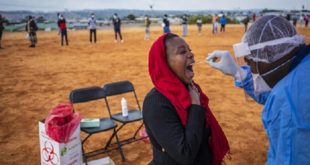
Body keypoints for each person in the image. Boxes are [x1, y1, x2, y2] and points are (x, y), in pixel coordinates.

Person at [207, 15, 310, 164]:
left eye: (251, 63)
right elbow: (272, 94)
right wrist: (239, 73)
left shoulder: (289, 101)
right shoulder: (302, 69)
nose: (251, 69)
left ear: (268, 53)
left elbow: (288, 160)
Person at [143, 33, 230, 165]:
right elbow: (185, 154)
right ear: (165, 63)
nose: (190, 54)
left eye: (190, 50)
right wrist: (195, 106)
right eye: (183, 51)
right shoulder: (156, 103)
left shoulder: (190, 90)